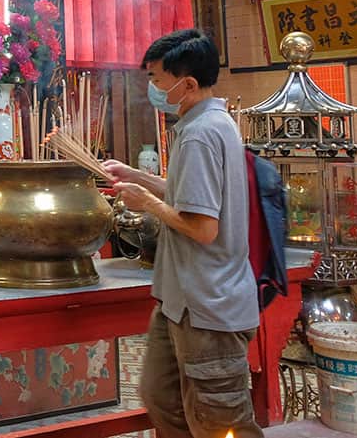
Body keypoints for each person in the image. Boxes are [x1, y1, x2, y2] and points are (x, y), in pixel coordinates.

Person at [103, 28, 260, 438]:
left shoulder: (200, 134)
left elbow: (203, 228)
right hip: (180, 301)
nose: (151, 88)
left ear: (187, 84)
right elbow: (188, 196)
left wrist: (147, 204)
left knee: (219, 421)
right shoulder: (206, 123)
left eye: (156, 79)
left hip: (209, 304)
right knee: (164, 400)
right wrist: (136, 175)